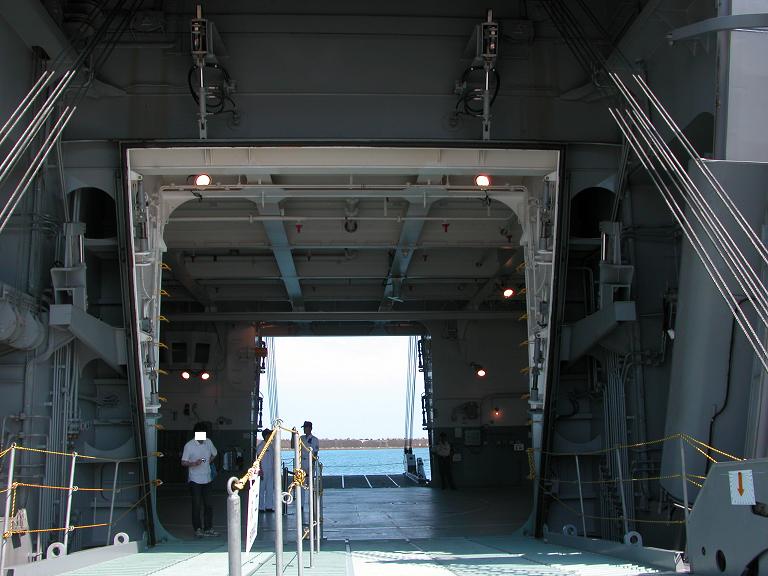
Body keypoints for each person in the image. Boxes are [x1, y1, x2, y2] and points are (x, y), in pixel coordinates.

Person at [181, 422, 219, 537]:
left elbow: (215, 453)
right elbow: (183, 462)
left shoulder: (208, 442)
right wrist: (193, 463)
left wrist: (207, 461)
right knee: (196, 505)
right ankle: (197, 528)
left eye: (205, 434)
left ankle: (208, 528)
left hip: (207, 478)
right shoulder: (189, 445)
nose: (203, 437)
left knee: (208, 505)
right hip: (195, 479)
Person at [299, 421, 319, 524]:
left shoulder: (315, 440)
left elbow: (315, 453)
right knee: (301, 485)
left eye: (306, 427)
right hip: (302, 462)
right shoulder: (301, 438)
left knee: (310, 486)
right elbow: (294, 447)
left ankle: (311, 503)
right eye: (304, 428)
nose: (304, 429)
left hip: (310, 463)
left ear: (310, 428)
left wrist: (311, 466)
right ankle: (301, 504)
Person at [257, 428, 275, 512]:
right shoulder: (261, 446)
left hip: (270, 470)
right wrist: (260, 470)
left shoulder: (271, 446)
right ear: (266, 436)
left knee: (270, 489)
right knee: (261, 489)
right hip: (263, 470)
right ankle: (260, 507)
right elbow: (258, 458)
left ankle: (269, 506)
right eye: (269, 435)